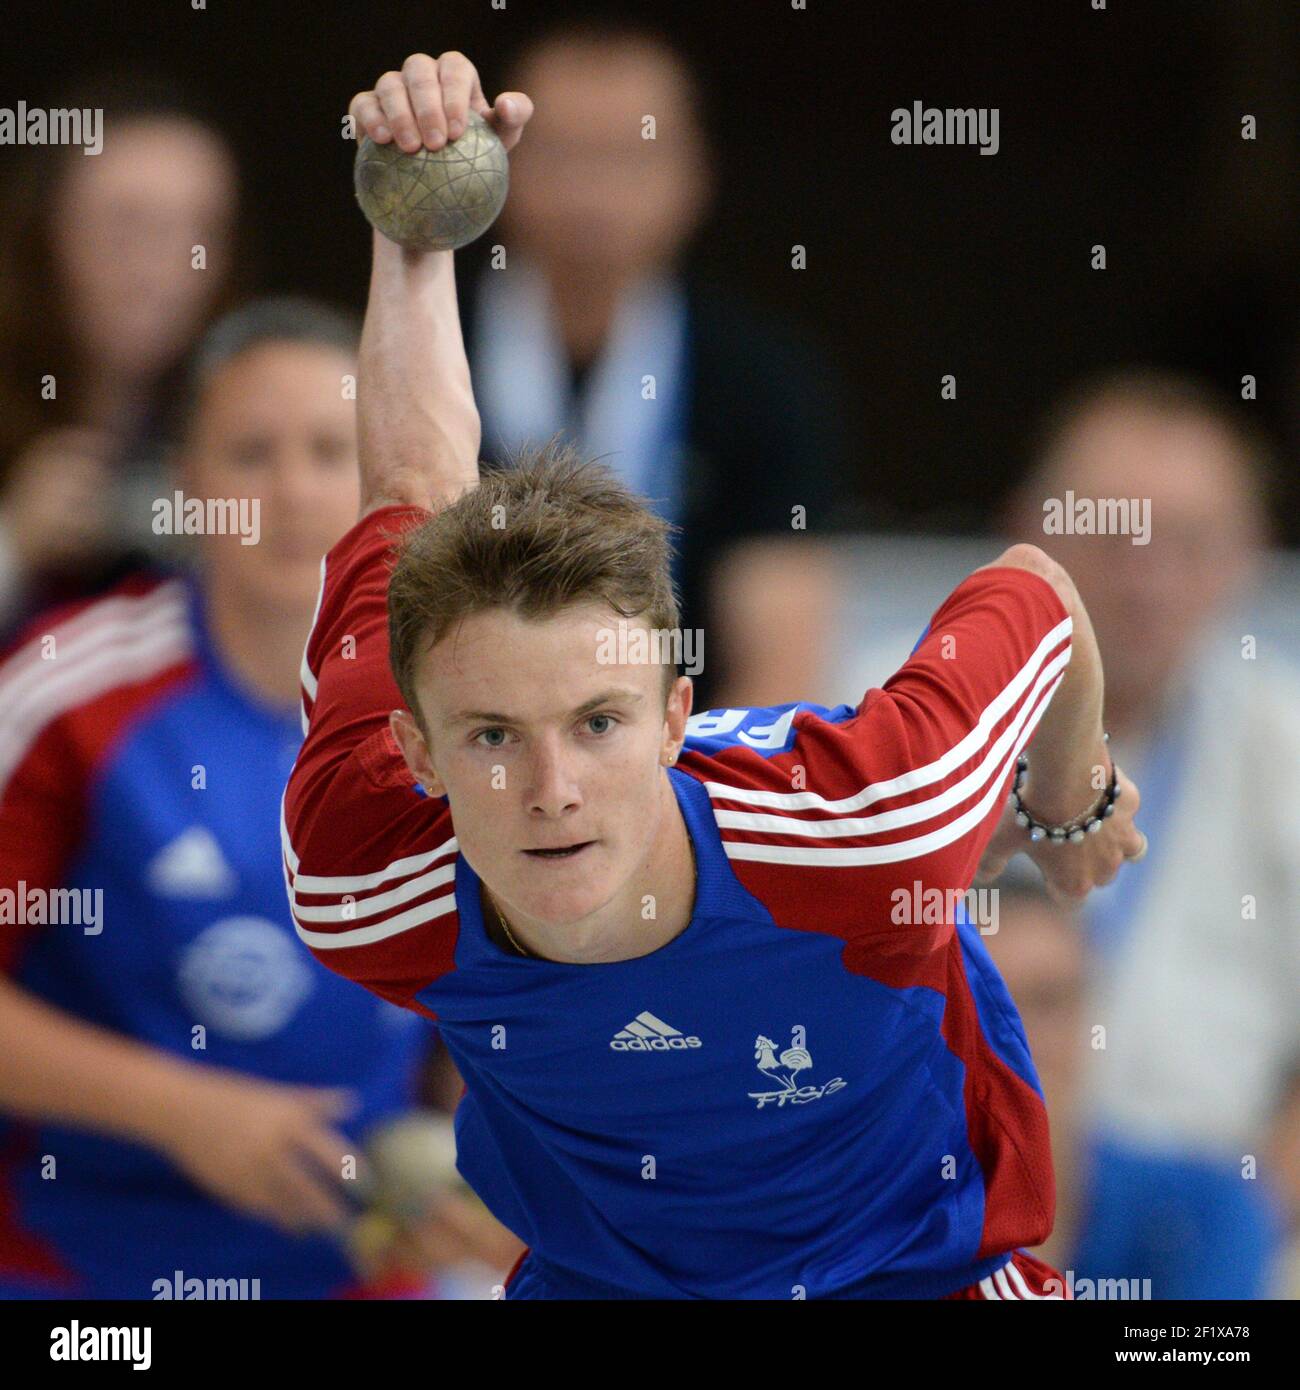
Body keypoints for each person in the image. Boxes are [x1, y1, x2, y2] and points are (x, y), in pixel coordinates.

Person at [283, 50, 1146, 1300]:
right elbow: (412, 490)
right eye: (488, 738)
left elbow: (1034, 590)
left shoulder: (871, 820)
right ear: (415, 752)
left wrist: (1066, 798)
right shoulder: (363, 873)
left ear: (680, 716)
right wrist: (409, 225)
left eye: (597, 722)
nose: (552, 787)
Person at [0, 297, 518, 1299]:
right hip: (75, 1271)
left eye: (331, 452)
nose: (290, 490)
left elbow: (497, 996)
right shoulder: (67, 688)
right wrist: (183, 1111)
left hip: (354, 1268)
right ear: (186, 483)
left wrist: (490, 1151)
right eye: (249, 453)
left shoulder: (471, 704)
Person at [1006, 369, 1300, 1298]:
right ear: (1028, 533)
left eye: (1189, 543)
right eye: (1111, 535)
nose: (1147, 580)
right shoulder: (896, 721)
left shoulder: (1287, 750)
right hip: (945, 1196)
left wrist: (1250, 1221)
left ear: (1252, 555)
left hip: (1217, 1210)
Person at [458, 20, 848, 711]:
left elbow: (782, 665)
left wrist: (678, 808)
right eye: (561, 155)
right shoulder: (430, 341)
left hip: (686, 777)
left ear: (695, 173)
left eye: (629, 155)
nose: (591, 193)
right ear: (494, 164)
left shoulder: (764, 379)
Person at [0, 75, 245, 640]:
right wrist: (13, 545)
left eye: (196, 232)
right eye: (125, 225)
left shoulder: (246, 406)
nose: (159, 269)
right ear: (45, 237)